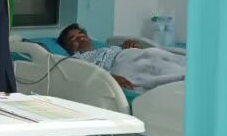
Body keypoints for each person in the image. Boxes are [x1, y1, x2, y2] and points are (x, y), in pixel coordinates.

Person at [57, 24, 187, 91]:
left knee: (156, 55)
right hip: (121, 66)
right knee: (156, 70)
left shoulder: (107, 48)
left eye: (81, 34)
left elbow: (138, 51)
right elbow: (86, 74)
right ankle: (185, 79)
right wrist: (110, 78)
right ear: (69, 48)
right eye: (73, 38)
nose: (80, 38)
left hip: (134, 55)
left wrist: (133, 46)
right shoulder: (77, 59)